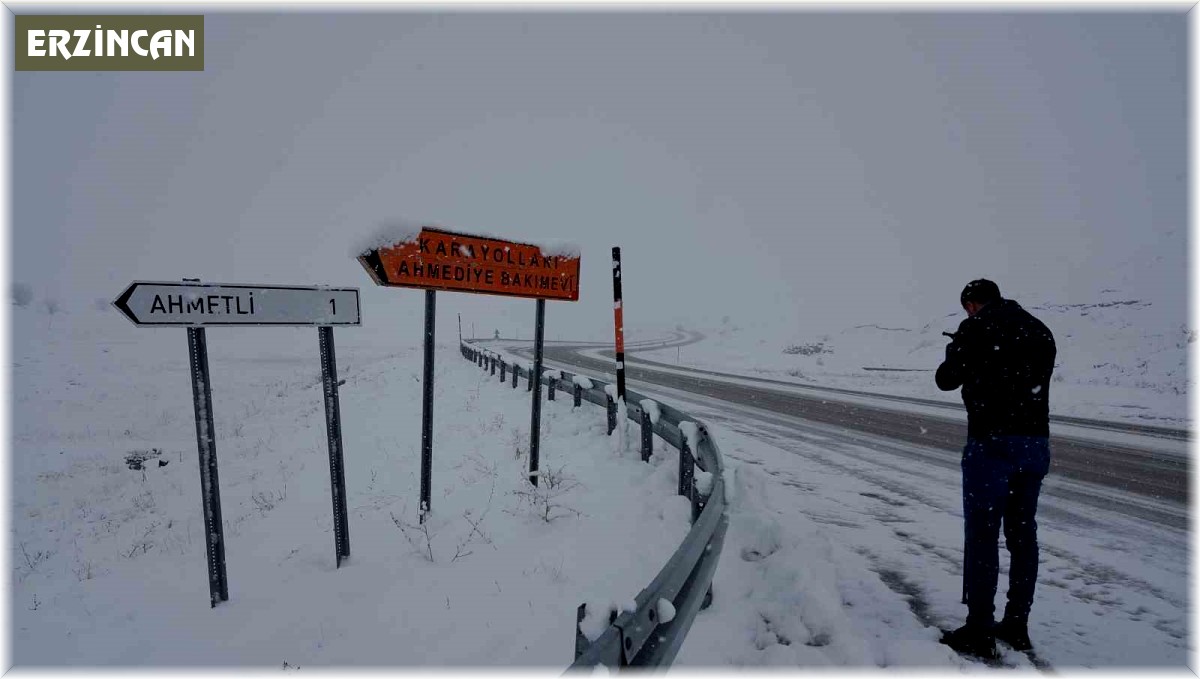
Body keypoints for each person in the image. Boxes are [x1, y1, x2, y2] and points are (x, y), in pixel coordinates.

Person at [935, 279, 1056, 659]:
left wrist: (958, 347)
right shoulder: (1039, 330)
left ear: (972, 304)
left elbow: (945, 379)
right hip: (1034, 442)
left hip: (991, 442)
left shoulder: (976, 327)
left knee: (983, 535)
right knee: (1023, 534)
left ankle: (979, 629)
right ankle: (1017, 623)